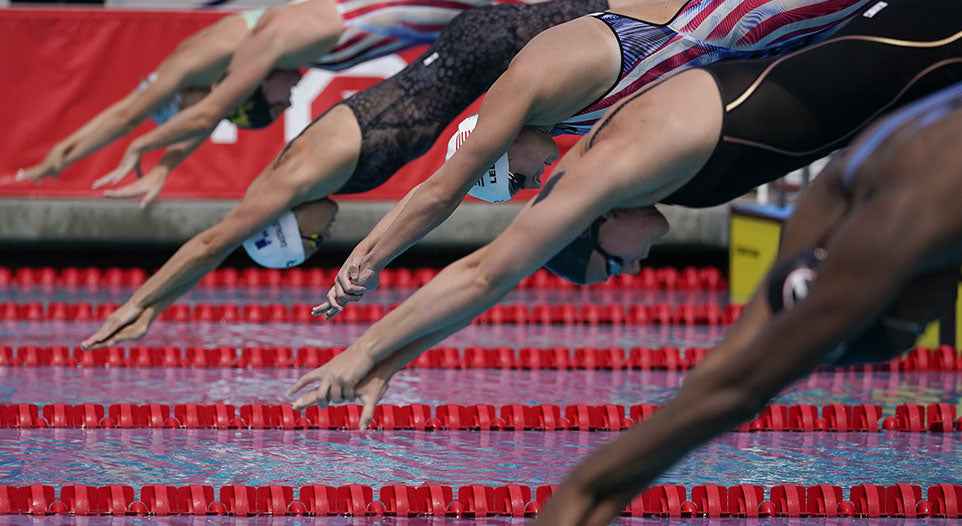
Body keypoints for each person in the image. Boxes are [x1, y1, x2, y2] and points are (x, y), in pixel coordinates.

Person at [285, 0, 962, 419]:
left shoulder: (553, 104)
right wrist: (393, 360)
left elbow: (468, 238)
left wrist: (365, 282)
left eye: (620, 261)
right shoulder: (585, 134)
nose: (639, 263)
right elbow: (496, 273)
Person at [481, 79, 962, 526]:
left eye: (917, 327)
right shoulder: (844, 190)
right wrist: (608, 493)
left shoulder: (891, 217)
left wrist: (587, 488)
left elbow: (746, 385)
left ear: (880, 295)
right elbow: (737, 364)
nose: (948, 301)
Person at [79, 0, 629, 350]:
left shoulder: (294, 176)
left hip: (480, 47)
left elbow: (212, 243)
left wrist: (143, 304)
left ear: (291, 224)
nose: (325, 235)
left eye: (313, 239)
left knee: (632, 18)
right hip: (474, 51)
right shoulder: (312, 179)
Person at [314, 0, 878, 317]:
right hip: (769, 38)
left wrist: (364, 263)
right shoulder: (575, 124)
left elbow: (439, 193)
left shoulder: (529, 81)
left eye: (515, 178)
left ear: (494, 147)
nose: (534, 180)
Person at [15, 0, 494, 206]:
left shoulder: (196, 67)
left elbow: (129, 116)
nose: (288, 99)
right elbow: (210, 113)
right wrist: (163, 167)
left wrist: (138, 150)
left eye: (277, 103)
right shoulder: (235, 63)